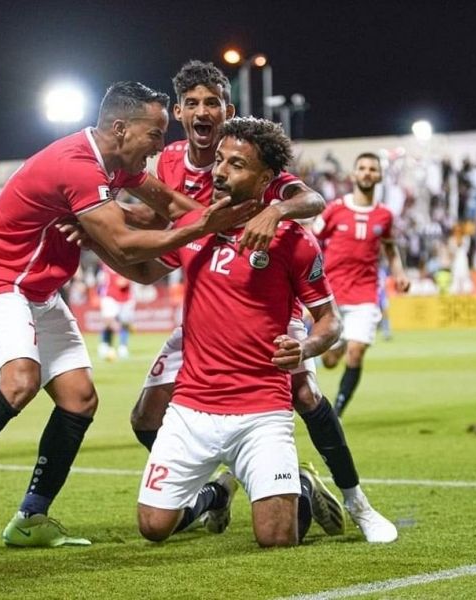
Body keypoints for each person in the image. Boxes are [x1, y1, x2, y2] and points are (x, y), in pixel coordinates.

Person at [0, 81, 258, 550]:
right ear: (121, 129)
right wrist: (203, 227)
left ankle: (31, 517)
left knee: (79, 399)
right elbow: (125, 246)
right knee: (19, 382)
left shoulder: (117, 163)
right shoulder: (77, 166)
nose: (159, 147)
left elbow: (173, 205)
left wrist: (239, 227)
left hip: (39, 290)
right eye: (154, 134)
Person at [127, 62, 399, 543]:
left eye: (212, 103)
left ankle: (352, 500)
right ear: (179, 113)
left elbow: (311, 200)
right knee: (146, 415)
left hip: (269, 314)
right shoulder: (168, 161)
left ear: (227, 110)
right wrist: (96, 224)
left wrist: (274, 210)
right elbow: (158, 218)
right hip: (205, 304)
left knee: (305, 394)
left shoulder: (259, 166)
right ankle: (217, 487)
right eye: (192, 103)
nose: (202, 112)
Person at [125, 117, 343, 547]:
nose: (220, 171)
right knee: (152, 526)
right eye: (220, 160)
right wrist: (90, 237)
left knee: (276, 538)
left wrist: (306, 347)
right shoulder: (196, 224)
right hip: (191, 408)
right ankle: (221, 491)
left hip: (262, 408)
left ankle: (296, 484)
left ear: (266, 178)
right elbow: (145, 269)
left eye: (236, 165)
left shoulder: (294, 241)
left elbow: (330, 321)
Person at [314, 152, 410, 418]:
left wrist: (399, 274)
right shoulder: (335, 209)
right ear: (354, 174)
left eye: (372, 169)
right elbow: (311, 239)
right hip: (332, 294)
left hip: (366, 293)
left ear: (379, 176)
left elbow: (390, 249)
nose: (367, 173)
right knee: (329, 361)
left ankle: (337, 412)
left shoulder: (385, 215)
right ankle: (340, 343)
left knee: (356, 353)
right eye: (363, 168)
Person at [97, 262, 135, 360]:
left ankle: (123, 347)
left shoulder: (128, 263)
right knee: (108, 322)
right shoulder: (106, 263)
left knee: (125, 323)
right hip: (110, 296)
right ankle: (104, 345)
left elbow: (123, 282)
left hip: (126, 299)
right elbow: (120, 282)